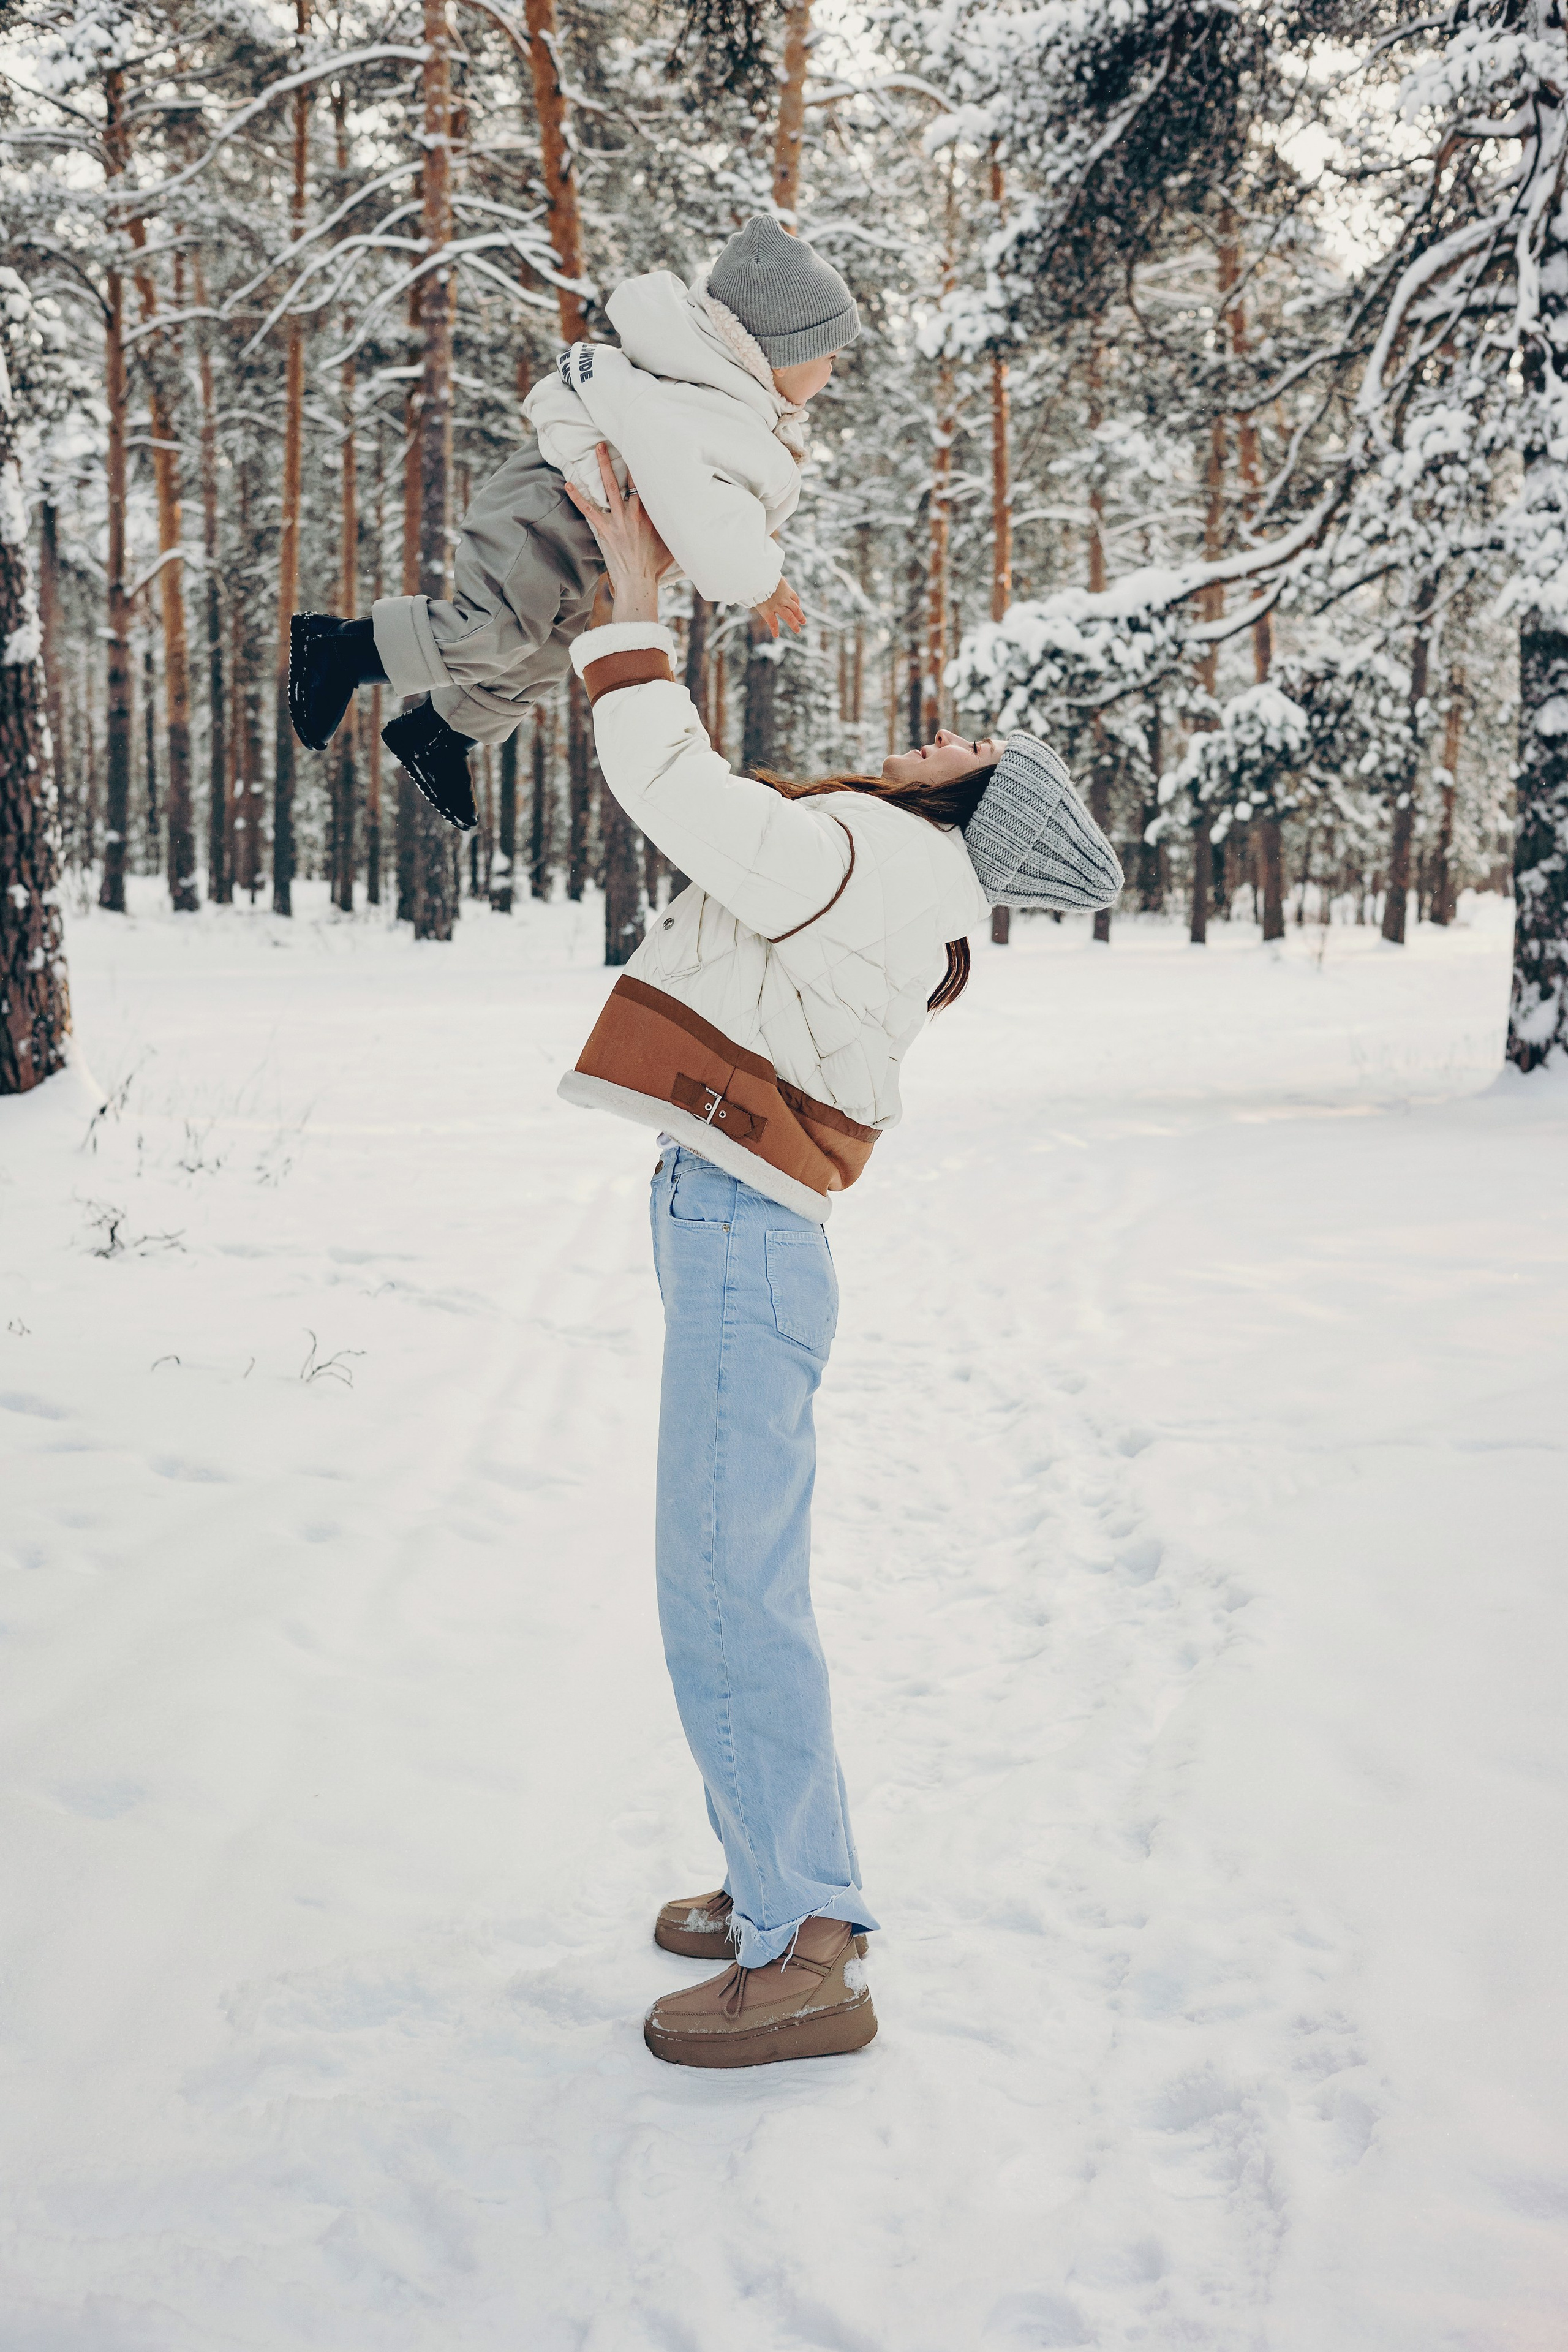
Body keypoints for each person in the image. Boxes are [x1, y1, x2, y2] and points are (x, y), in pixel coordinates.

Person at [562, 447, 1123, 2068]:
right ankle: (775, 1883)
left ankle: (808, 1945)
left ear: (970, 799)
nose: (931, 733)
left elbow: (682, 794)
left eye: (963, 743)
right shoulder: (896, 871)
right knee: (734, 1585)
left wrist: (633, 600)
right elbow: (728, 817)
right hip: (739, 1229)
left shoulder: (886, 861)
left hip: (745, 1240)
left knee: (726, 1597)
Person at [287, 216, 858, 828]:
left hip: (576, 542)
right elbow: (706, 517)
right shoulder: (700, 407)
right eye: (827, 355)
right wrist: (760, 580)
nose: (832, 371)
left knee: (539, 653)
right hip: (543, 511)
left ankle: (440, 733)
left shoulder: (720, 400)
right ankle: (340, 650)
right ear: (775, 350)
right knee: (495, 631)